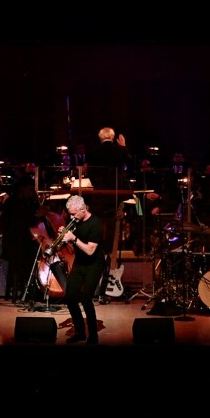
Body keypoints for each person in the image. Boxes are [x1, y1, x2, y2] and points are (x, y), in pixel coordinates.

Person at [85, 127, 132, 304]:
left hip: (99, 197)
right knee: (113, 232)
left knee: (99, 230)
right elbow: (128, 162)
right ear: (113, 138)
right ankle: (108, 264)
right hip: (115, 197)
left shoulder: (94, 152)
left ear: (100, 138)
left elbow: (90, 173)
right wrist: (124, 146)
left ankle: (99, 262)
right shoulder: (118, 151)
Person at [59, 194, 106, 345]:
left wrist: (73, 238)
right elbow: (74, 246)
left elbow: (90, 250)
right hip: (80, 263)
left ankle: (93, 334)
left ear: (83, 209)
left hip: (94, 264)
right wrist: (64, 237)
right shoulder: (74, 220)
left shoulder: (96, 224)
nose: (72, 217)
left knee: (86, 298)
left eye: (74, 214)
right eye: (70, 214)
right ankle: (79, 332)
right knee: (70, 297)